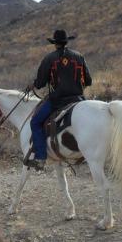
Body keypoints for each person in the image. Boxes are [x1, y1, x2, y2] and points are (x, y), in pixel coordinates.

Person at [25, 29, 92, 170]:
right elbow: (88, 81)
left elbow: (41, 82)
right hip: (78, 99)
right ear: (66, 42)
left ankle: (40, 158)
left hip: (57, 101)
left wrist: (33, 85)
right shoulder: (79, 56)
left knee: (35, 122)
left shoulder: (49, 58)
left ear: (55, 44)